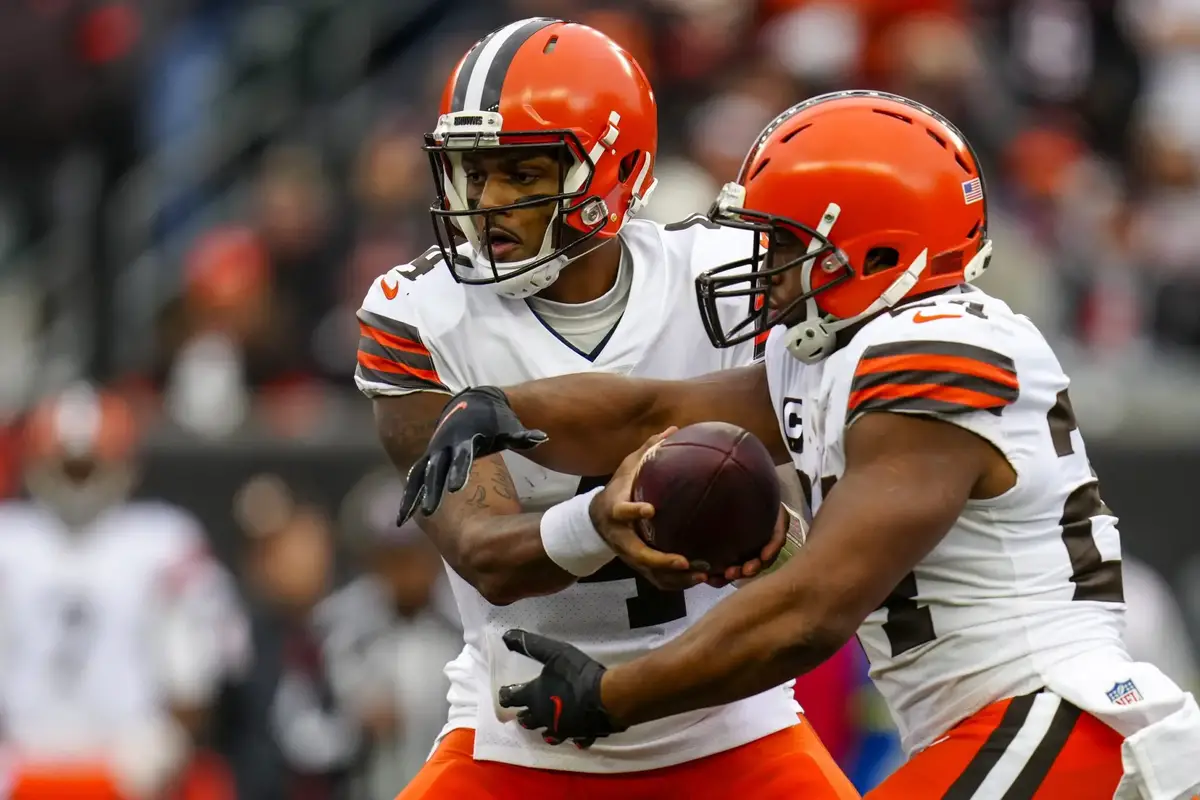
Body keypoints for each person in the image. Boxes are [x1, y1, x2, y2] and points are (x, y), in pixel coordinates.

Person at [400, 90, 1200, 799]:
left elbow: (812, 613)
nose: (764, 269)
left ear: (876, 250)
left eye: (784, 245)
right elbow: (654, 410)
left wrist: (615, 694)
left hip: (1059, 719)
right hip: (1003, 730)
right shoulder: (846, 351)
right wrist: (500, 404)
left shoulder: (933, 350)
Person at [354, 17, 857, 800]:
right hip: (519, 738)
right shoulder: (419, 314)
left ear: (611, 173)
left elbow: (797, 502)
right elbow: (483, 554)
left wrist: (770, 531)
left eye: (521, 176)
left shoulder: (722, 278)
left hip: (728, 728)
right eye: (472, 174)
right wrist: (599, 522)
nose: (486, 203)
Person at [0, 383, 247, 800]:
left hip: (132, 760)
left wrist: (169, 737)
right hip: (18, 756)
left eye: (90, 465)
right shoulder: (10, 538)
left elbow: (203, 663)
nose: (79, 481)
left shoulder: (163, 539)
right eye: (68, 466)